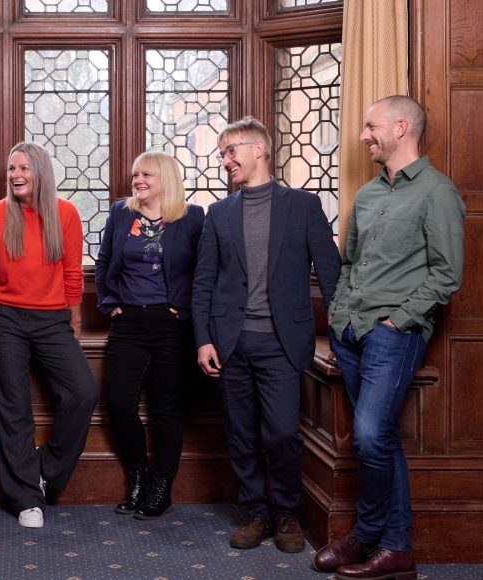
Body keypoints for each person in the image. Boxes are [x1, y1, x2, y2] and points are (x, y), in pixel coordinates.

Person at [314, 95, 465, 580]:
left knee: (371, 434)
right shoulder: (369, 194)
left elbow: (447, 274)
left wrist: (398, 321)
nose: (363, 136)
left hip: (394, 335)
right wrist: (339, 316)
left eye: (370, 126)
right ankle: (391, 546)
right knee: (379, 440)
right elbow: (351, 263)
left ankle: (371, 536)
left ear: (401, 128)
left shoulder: (438, 192)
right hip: (351, 330)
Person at [192, 116, 340, 553]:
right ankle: (255, 512)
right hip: (230, 343)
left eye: (230, 151)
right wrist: (203, 339)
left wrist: (340, 337)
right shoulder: (219, 213)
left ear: (259, 149)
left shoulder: (303, 205)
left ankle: (286, 513)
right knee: (241, 433)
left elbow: (330, 274)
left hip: (283, 344)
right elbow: (202, 282)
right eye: (221, 154)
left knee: (280, 433)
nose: (225, 160)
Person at [0, 142, 99, 529]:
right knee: (12, 407)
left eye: (24, 169)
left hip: (52, 320)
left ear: (41, 173)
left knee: (83, 392)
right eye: (11, 169)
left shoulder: (66, 213)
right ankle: (26, 497)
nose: (15, 175)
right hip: (4, 319)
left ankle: (44, 471)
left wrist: (74, 322)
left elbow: (72, 273)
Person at [95, 151, 204, 519]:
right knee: (120, 405)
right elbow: (104, 259)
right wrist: (109, 301)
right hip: (128, 322)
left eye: (146, 175)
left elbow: (203, 270)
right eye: (135, 174)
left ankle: (162, 486)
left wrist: (185, 306)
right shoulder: (120, 213)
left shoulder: (192, 218)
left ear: (166, 179)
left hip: (170, 324)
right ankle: (139, 477)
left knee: (166, 410)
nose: (137, 180)